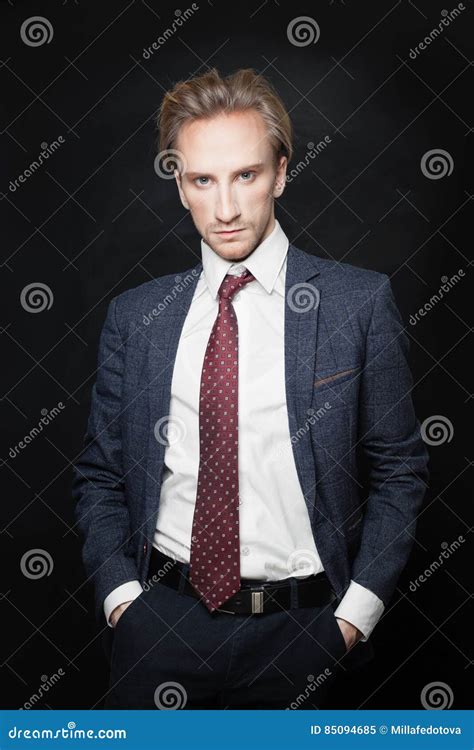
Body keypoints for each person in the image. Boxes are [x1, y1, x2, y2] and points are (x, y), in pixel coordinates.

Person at [72, 67, 430, 710]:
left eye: (246, 175)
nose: (226, 207)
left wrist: (354, 617)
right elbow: (100, 474)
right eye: (202, 179)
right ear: (180, 186)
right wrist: (124, 601)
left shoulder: (357, 304)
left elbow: (400, 468)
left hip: (307, 632)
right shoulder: (137, 318)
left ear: (282, 174)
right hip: (161, 629)